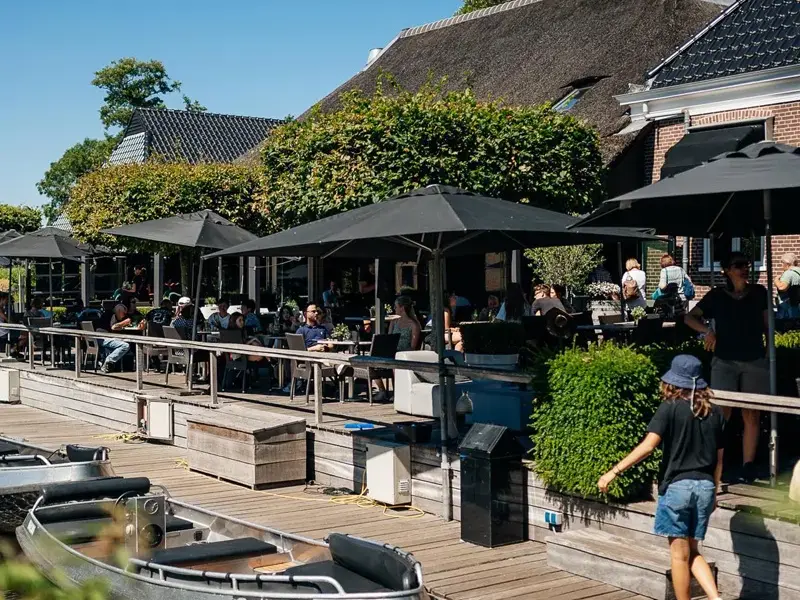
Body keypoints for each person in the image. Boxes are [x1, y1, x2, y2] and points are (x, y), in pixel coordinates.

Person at [598, 355, 724, 600]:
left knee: (679, 556)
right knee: (694, 551)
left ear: (673, 382)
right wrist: (715, 491)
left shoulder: (669, 408)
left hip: (678, 487)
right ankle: (716, 598)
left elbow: (648, 446)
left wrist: (613, 472)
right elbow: (720, 459)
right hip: (706, 486)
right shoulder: (716, 413)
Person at [684, 251, 768, 483]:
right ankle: (716, 465)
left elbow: (767, 324)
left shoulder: (760, 293)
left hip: (754, 360)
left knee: (752, 412)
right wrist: (707, 331)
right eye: (738, 265)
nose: (744, 269)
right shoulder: (716, 296)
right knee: (722, 413)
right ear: (727, 270)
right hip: (724, 361)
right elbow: (690, 317)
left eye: (747, 264)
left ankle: (748, 465)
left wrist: (770, 352)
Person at [97, 304, 140, 373]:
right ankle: (108, 361)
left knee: (125, 341)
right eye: (123, 313)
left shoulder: (108, 313)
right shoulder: (112, 315)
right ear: (119, 311)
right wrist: (125, 322)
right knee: (125, 345)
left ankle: (117, 365)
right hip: (103, 338)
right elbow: (113, 327)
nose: (124, 315)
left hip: (101, 337)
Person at [775, 252, 800, 320]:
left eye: (782, 263)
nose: (782, 265)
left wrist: (776, 280)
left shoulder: (788, 273)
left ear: (787, 263)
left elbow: (782, 288)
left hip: (788, 312)